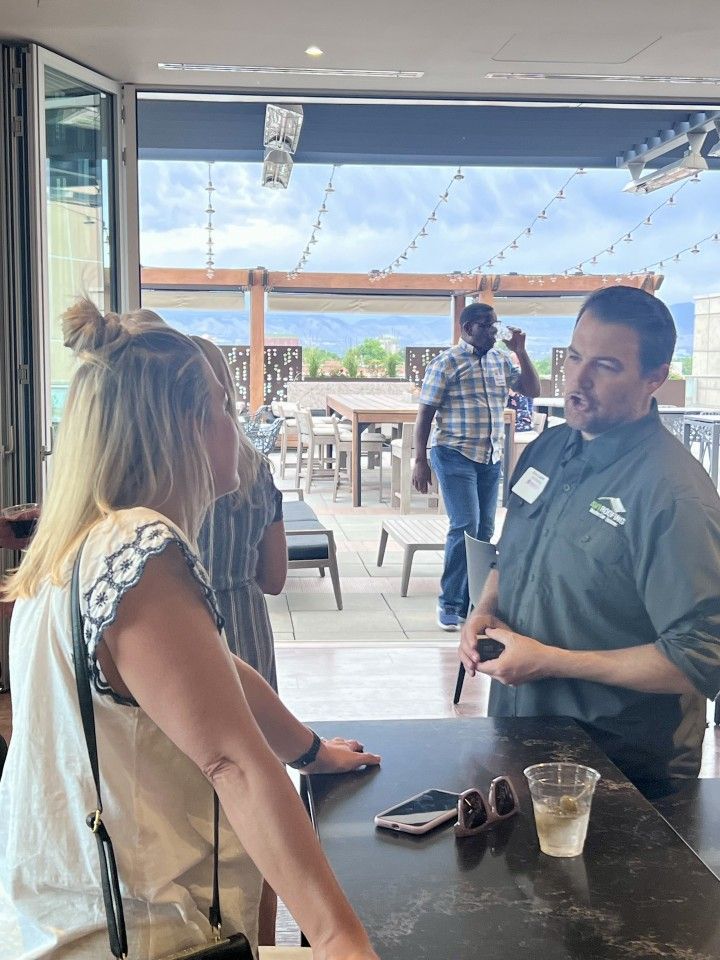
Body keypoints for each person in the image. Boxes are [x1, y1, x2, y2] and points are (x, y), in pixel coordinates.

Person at [0, 300, 381, 960]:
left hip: (66, 924)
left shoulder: (82, 548)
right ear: (184, 424)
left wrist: (310, 751)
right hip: (140, 935)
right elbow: (230, 760)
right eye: (225, 406)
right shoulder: (143, 549)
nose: (237, 424)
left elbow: (219, 677)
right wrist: (338, 936)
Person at [460, 285, 720, 800]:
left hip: (621, 769)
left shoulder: (673, 495)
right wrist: (483, 609)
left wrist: (549, 660)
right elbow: (511, 552)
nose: (577, 380)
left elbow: (700, 657)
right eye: (574, 356)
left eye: (605, 365)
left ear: (654, 378)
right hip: (521, 733)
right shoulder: (547, 449)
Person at [194, 336, 286, 946]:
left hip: (191, 633)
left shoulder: (170, 470)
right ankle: (263, 936)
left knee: (200, 795)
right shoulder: (257, 469)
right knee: (264, 786)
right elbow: (274, 578)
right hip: (247, 627)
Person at [411, 302, 540, 631]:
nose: (494, 331)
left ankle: (473, 602)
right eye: (486, 325)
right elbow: (424, 414)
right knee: (465, 525)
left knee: (484, 531)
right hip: (453, 451)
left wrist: (521, 353)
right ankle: (450, 602)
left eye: (495, 324)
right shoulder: (446, 362)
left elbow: (532, 390)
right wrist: (419, 460)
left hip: (490, 455)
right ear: (466, 328)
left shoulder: (500, 359)